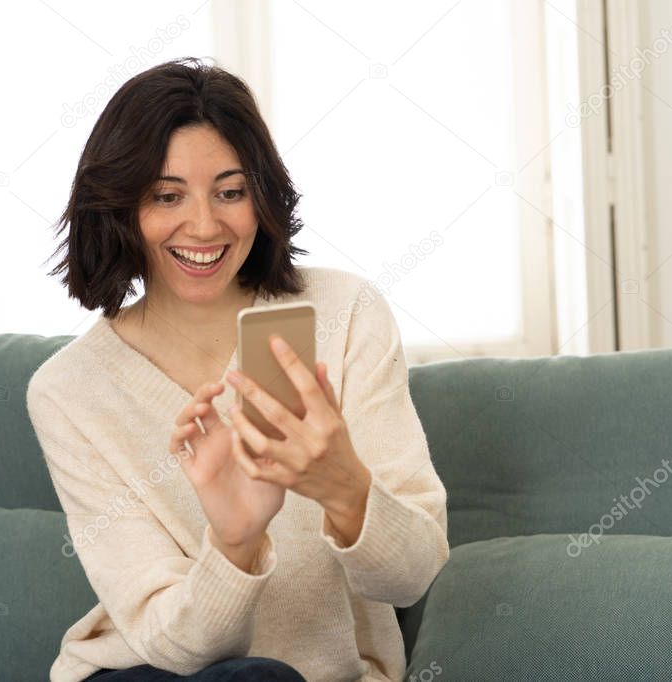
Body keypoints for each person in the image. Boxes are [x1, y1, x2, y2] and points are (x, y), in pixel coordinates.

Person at [25, 56, 450, 682]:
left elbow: (414, 577)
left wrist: (342, 485)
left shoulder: (346, 313)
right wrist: (235, 543)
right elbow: (173, 647)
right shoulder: (68, 392)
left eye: (231, 192)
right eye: (167, 196)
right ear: (119, 209)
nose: (204, 225)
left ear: (262, 199)